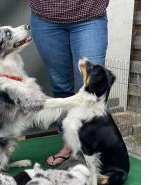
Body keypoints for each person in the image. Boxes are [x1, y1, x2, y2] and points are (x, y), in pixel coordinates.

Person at [29, 0, 109, 166]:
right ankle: (69, 146)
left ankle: (90, 151)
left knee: (92, 89)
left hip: (90, 14)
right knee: (61, 87)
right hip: (46, 17)